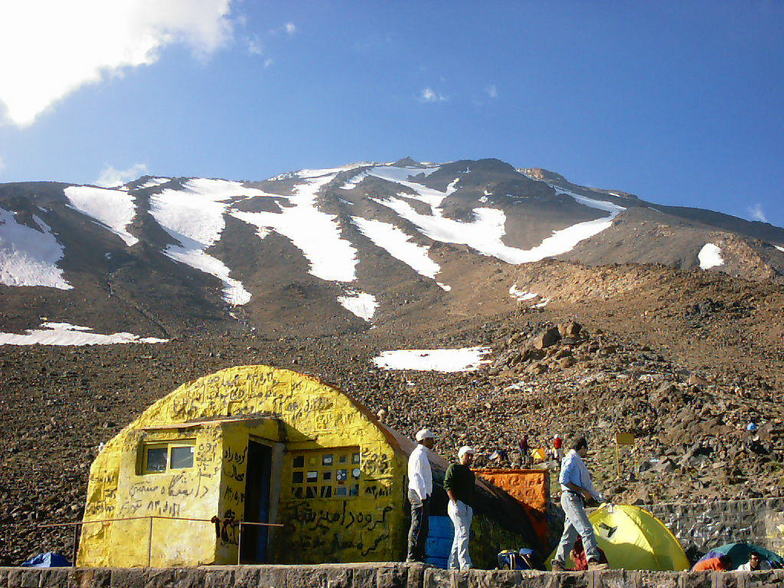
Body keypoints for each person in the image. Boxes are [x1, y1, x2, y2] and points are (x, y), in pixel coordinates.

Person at [551, 437, 609, 571]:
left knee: (570, 533)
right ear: (582, 447)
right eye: (585, 449)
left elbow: (586, 486)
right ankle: (593, 560)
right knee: (586, 529)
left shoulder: (575, 460)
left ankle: (558, 563)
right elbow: (563, 479)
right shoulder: (572, 459)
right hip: (571, 497)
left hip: (574, 498)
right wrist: (582, 490)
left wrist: (600, 498)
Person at [444, 446, 476, 570]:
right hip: (457, 504)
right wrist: (455, 502)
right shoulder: (454, 468)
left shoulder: (469, 473)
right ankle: (465, 563)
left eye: (471, 455)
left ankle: (452, 565)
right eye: (468, 455)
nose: (470, 458)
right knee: (463, 533)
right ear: (461, 455)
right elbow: (448, 485)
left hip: (467, 506)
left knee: (459, 535)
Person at [407, 428, 435, 562]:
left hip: (422, 494)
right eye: (430, 439)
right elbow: (417, 477)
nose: (433, 442)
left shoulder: (422, 455)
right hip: (418, 494)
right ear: (424, 440)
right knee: (418, 525)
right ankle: (412, 555)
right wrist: (423, 497)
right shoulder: (418, 455)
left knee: (423, 526)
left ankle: (419, 554)